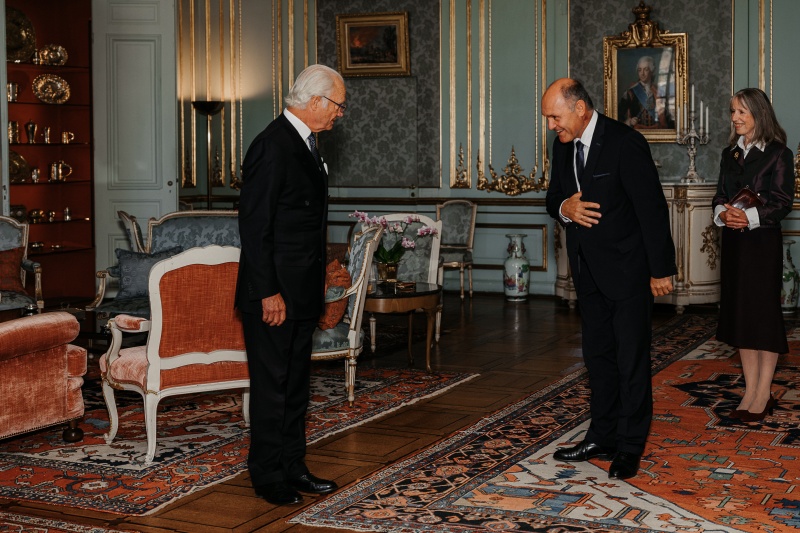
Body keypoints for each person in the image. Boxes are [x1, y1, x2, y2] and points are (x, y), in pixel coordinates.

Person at [543, 78, 676, 480]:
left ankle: (630, 446)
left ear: (580, 108)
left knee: (630, 361)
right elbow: (553, 200)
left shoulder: (624, 142)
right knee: (598, 360)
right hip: (587, 273)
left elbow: (651, 208)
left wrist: (661, 269)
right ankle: (602, 435)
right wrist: (565, 207)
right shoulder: (562, 146)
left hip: (629, 273)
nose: (551, 125)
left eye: (555, 116)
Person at [235, 64, 346, 506]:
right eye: (337, 104)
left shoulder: (306, 142)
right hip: (274, 294)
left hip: (300, 291)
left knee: (296, 384)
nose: (340, 113)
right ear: (316, 101)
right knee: (271, 386)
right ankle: (267, 474)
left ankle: (293, 464)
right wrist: (267, 291)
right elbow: (255, 226)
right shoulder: (272, 145)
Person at [712, 88, 794, 423]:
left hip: (762, 245)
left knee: (762, 316)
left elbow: (782, 201)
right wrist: (723, 214)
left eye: (741, 112)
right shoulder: (728, 154)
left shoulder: (778, 153)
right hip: (734, 244)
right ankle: (749, 389)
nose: (734, 118)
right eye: (732, 111)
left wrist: (749, 217)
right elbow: (719, 195)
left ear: (758, 113)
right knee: (741, 315)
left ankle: (764, 392)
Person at [618, 55, 673, 129]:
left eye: (646, 69)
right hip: (636, 134)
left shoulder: (659, 92)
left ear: (652, 71)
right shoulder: (630, 92)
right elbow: (618, 116)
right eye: (640, 70)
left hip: (656, 133)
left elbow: (668, 119)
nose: (642, 73)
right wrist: (630, 121)